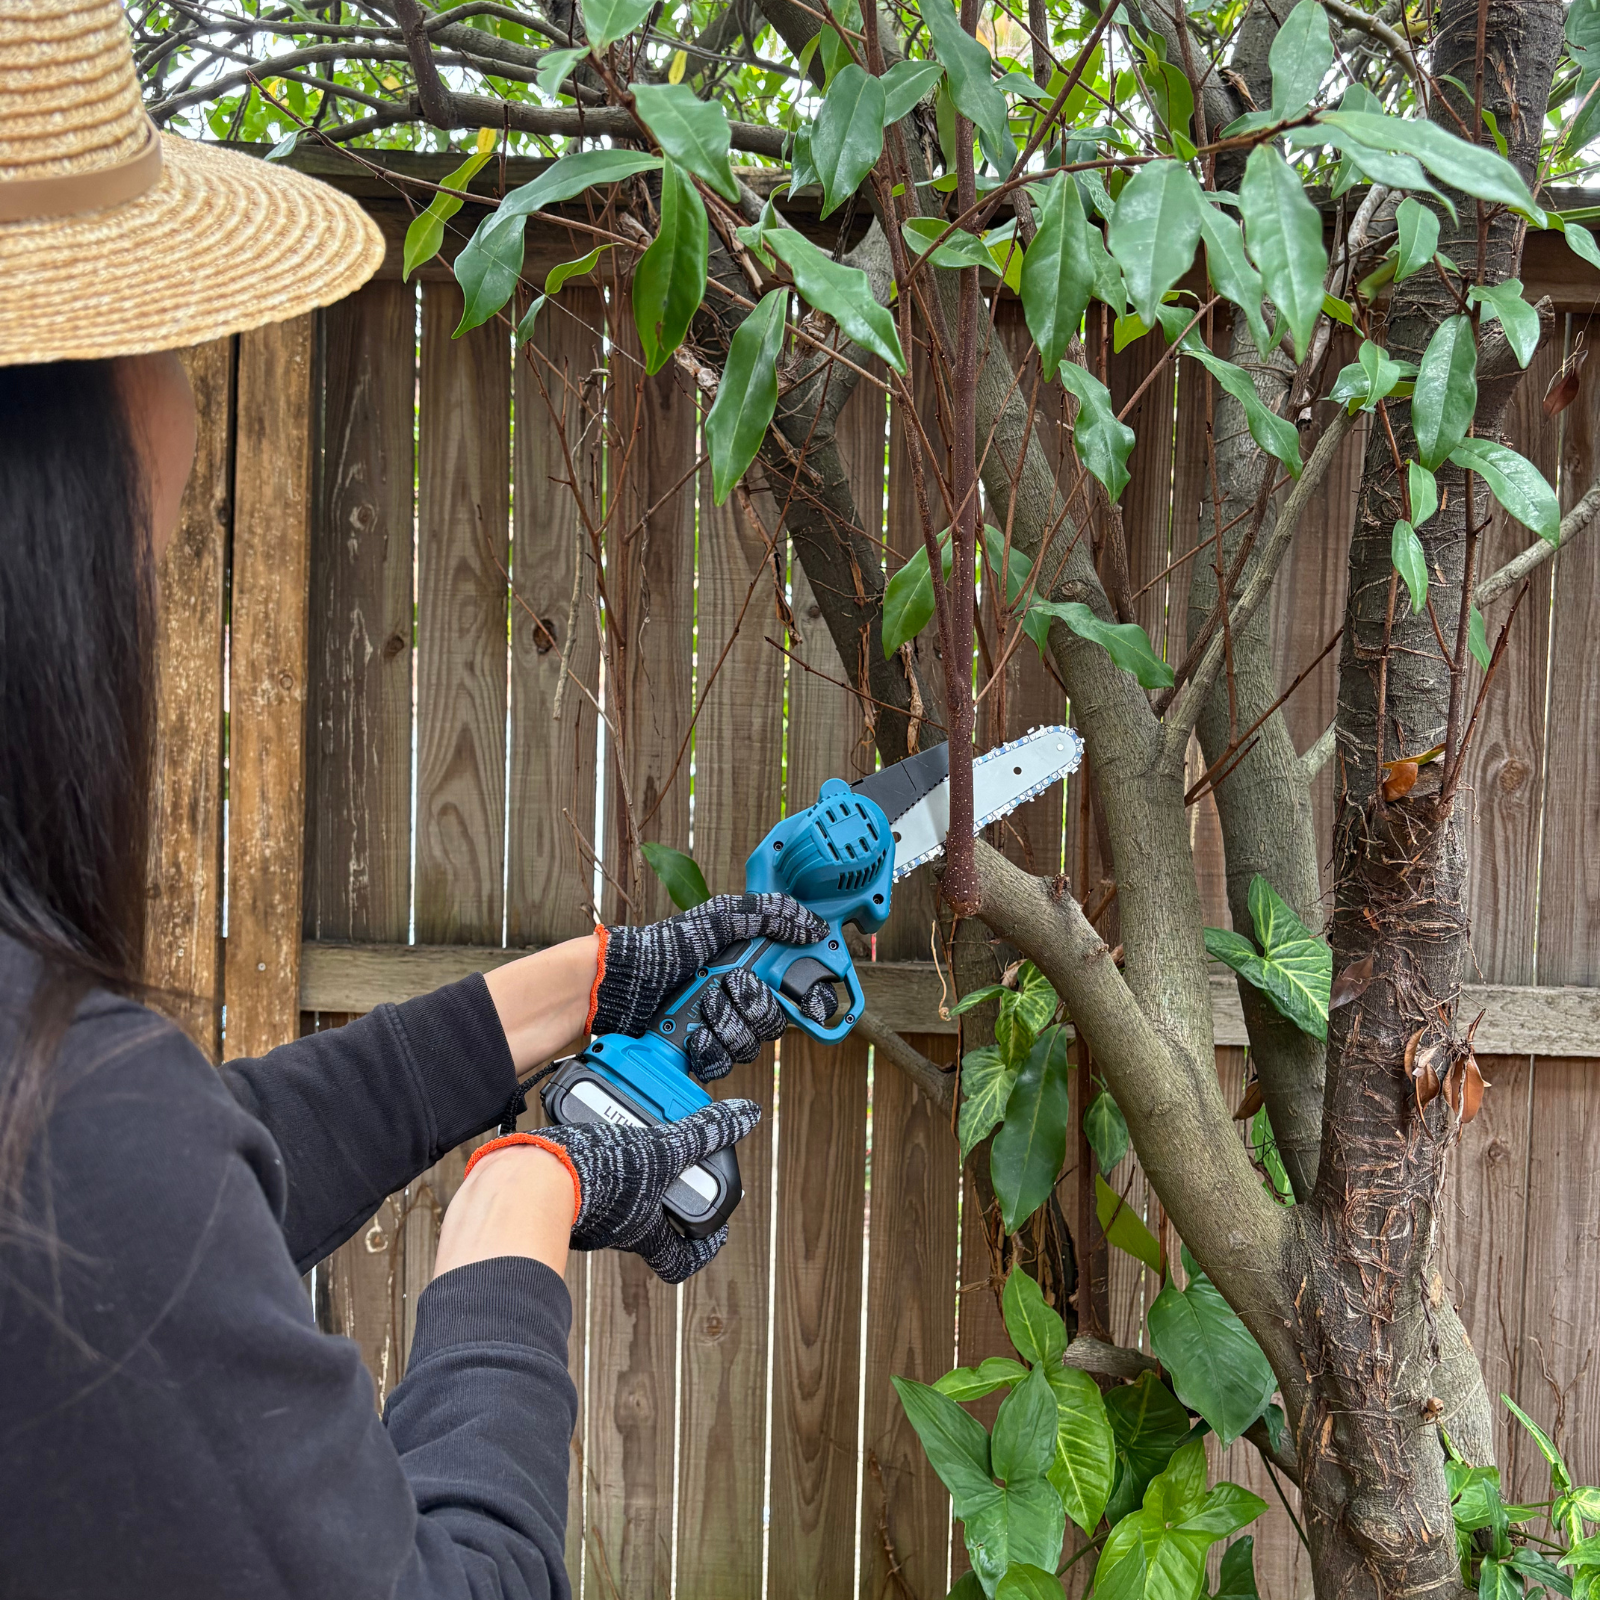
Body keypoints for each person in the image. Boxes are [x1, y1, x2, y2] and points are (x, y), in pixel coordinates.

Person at [0, 6, 834, 1595]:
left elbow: (199, 1166)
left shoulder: (71, 1137)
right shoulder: (74, 1148)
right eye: (157, 338)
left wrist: (593, 984)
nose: (186, 396)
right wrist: (529, 1191)